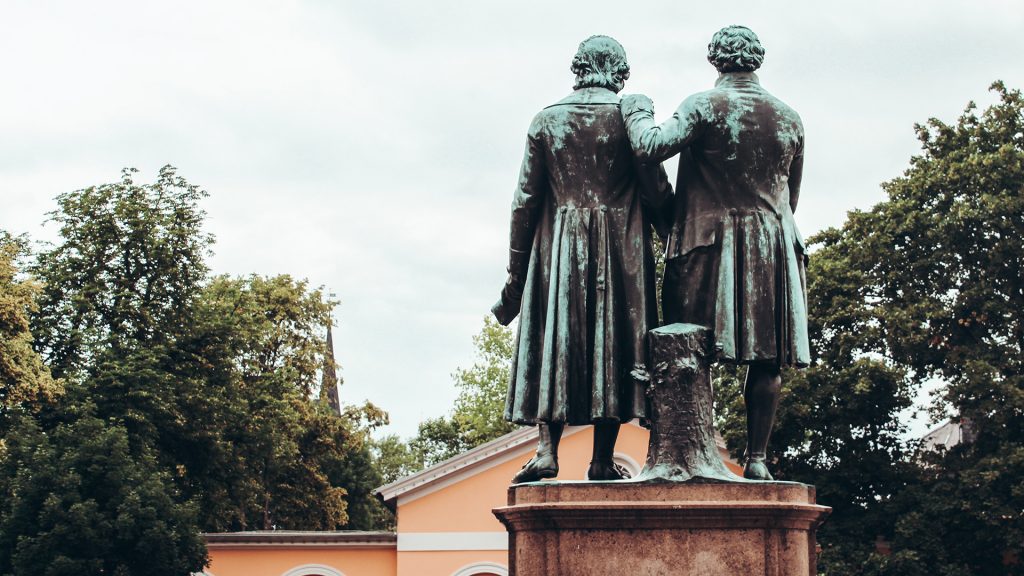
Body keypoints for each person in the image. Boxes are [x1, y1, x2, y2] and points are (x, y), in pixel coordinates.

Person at [620, 25, 809, 480]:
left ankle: (682, 455)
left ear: (715, 59)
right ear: (757, 58)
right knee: (766, 359)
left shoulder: (703, 104)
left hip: (704, 247)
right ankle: (757, 459)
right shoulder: (789, 118)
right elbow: (791, 196)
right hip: (771, 248)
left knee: (687, 351)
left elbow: (649, 146)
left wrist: (637, 109)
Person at [492, 35, 672, 483]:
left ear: (578, 69)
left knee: (557, 338)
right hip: (622, 250)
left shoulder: (546, 121)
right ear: (621, 73)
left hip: (559, 251)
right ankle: (601, 459)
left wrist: (516, 274)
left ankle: (546, 451)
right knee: (613, 344)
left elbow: (524, 202)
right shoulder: (630, 120)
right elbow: (656, 193)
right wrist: (674, 231)